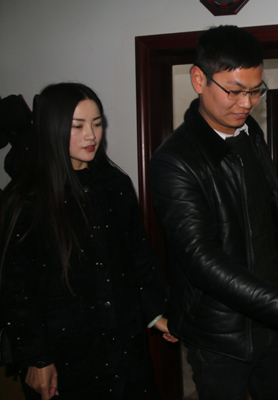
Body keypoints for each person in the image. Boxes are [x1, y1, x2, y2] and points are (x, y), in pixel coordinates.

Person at [149, 25, 278, 400]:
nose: (246, 104)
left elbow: (273, 216)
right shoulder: (175, 160)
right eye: (234, 91)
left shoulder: (250, 134)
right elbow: (201, 259)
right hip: (220, 334)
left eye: (255, 91)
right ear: (199, 80)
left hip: (271, 320)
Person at [0, 82, 177, 400]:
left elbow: (139, 256)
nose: (91, 135)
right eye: (78, 126)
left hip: (124, 347)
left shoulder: (115, 184)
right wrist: (36, 357)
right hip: (65, 354)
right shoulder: (27, 197)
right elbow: (16, 288)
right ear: (52, 128)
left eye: (97, 124)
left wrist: (157, 313)